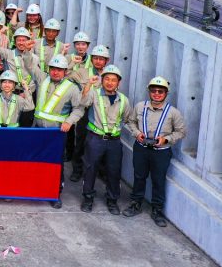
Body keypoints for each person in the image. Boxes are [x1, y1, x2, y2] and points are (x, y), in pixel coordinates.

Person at [123, 76, 187, 227]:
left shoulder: (173, 113)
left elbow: (181, 131)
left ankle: (157, 210)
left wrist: (166, 139)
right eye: (153, 91)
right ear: (149, 92)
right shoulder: (140, 107)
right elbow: (131, 121)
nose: (157, 94)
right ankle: (135, 203)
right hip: (142, 148)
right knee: (139, 176)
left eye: (160, 91)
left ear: (166, 93)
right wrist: (137, 133)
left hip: (161, 152)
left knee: (158, 180)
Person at [32, 54, 85, 209]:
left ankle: (55, 194)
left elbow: (79, 108)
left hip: (56, 133)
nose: (55, 72)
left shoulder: (72, 88)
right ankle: (37, 189)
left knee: (55, 165)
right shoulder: (43, 79)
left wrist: (69, 121)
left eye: (59, 70)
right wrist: (28, 52)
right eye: (53, 69)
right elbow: (29, 65)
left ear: (65, 71)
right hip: (38, 130)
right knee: (37, 161)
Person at [79, 64, 131, 215]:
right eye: (106, 79)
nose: (109, 82)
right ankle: (88, 199)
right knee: (90, 169)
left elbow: (128, 118)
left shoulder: (123, 100)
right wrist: (88, 84)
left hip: (114, 141)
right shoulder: (94, 94)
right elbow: (82, 102)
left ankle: (112, 200)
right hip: (95, 139)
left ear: (118, 83)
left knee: (114, 171)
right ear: (102, 80)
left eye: (113, 80)